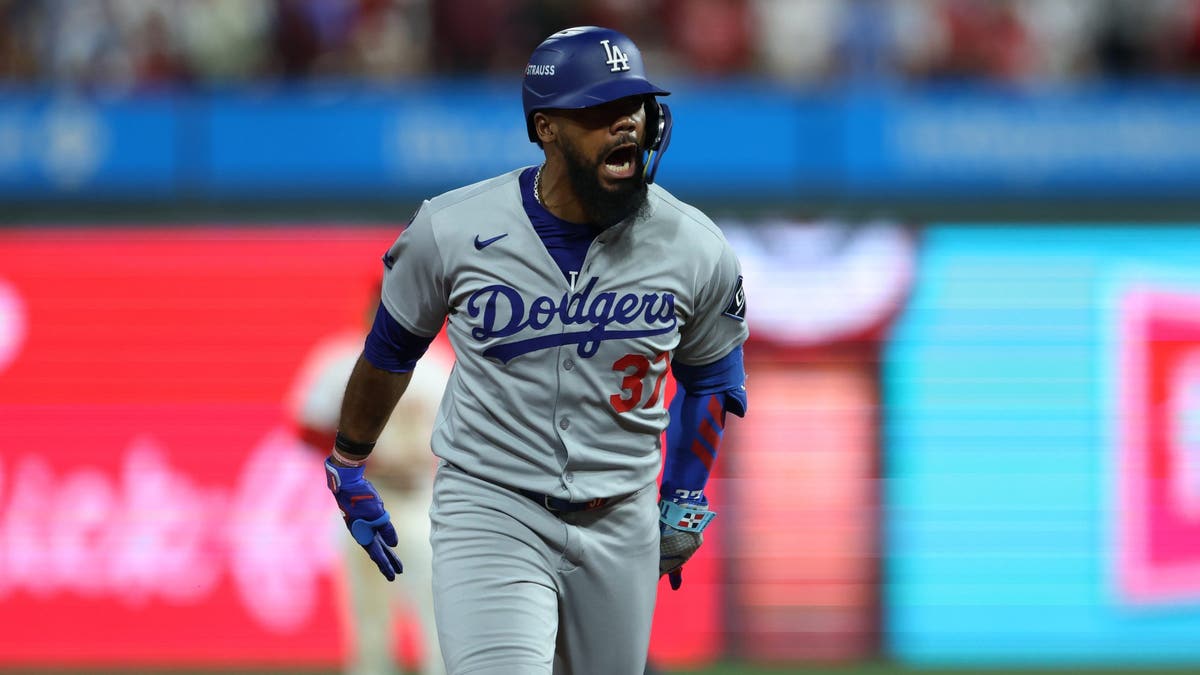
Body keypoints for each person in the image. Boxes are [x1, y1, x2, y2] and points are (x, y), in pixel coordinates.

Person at [322, 26, 749, 675]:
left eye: (634, 106)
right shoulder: (454, 228)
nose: (625, 125)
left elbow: (713, 376)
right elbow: (390, 348)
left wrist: (685, 490)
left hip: (621, 512)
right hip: (493, 506)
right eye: (599, 112)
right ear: (546, 127)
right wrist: (351, 458)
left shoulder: (694, 245)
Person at [291, 285, 449, 675]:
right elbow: (308, 428)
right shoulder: (340, 360)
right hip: (360, 499)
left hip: (419, 498)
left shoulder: (436, 364)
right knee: (369, 618)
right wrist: (356, 456)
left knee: (435, 612)